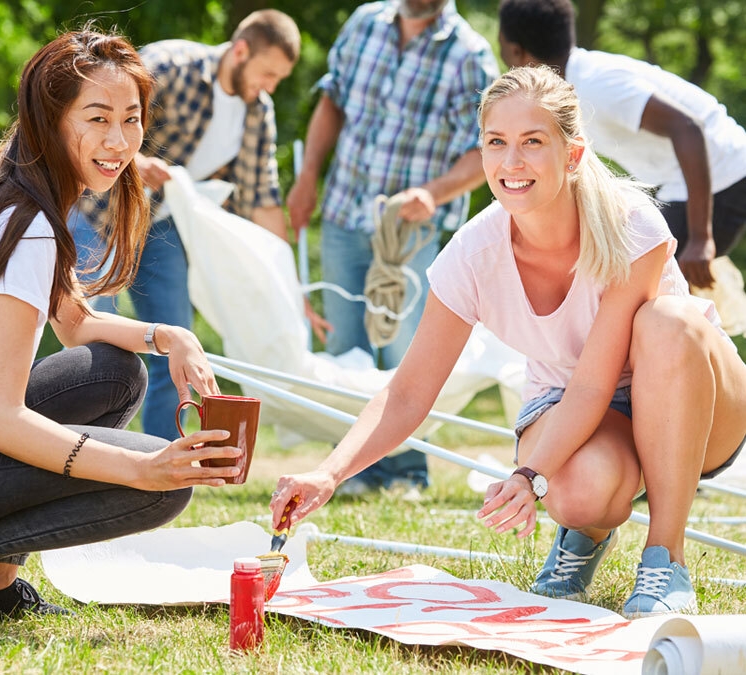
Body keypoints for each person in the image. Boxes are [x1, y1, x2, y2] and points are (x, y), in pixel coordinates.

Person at [270, 66, 746, 618]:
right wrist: (328, 472)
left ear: (572, 155)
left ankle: (666, 558)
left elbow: (597, 378)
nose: (511, 162)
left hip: (696, 399)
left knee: (668, 320)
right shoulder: (473, 255)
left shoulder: (629, 223)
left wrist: (529, 473)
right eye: (496, 143)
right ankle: (584, 534)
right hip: (590, 411)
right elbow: (408, 394)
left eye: (532, 143)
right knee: (577, 492)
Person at [0, 29, 243, 646]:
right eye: (97, 118)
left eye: (132, 120)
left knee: (116, 372)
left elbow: (76, 324)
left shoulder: (11, 191)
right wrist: (139, 470)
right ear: (50, 119)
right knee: (161, 490)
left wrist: (172, 336)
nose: (119, 141)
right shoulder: (27, 224)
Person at [71, 10, 327, 442]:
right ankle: (82, 457)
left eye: (279, 79)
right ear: (241, 50)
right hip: (98, 212)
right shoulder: (170, 65)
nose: (271, 87)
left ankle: (164, 464)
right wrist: (137, 161)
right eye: (268, 73)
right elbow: (97, 117)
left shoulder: (256, 112)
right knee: (94, 342)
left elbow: (262, 199)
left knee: (178, 348)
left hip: (160, 228)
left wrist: (289, 286)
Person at [286, 0, 498, 493]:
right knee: (345, 345)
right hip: (343, 211)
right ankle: (348, 472)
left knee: (406, 349)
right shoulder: (363, 22)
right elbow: (331, 103)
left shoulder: (470, 54)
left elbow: (482, 146)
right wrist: (308, 177)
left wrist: (435, 192)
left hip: (411, 231)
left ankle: (406, 471)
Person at [497, 0, 746, 290]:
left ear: (516, 51)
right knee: (632, 281)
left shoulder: (597, 86)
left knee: (644, 289)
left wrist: (701, 238)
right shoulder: (567, 89)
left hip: (723, 171)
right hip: (681, 181)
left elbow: (687, 128)